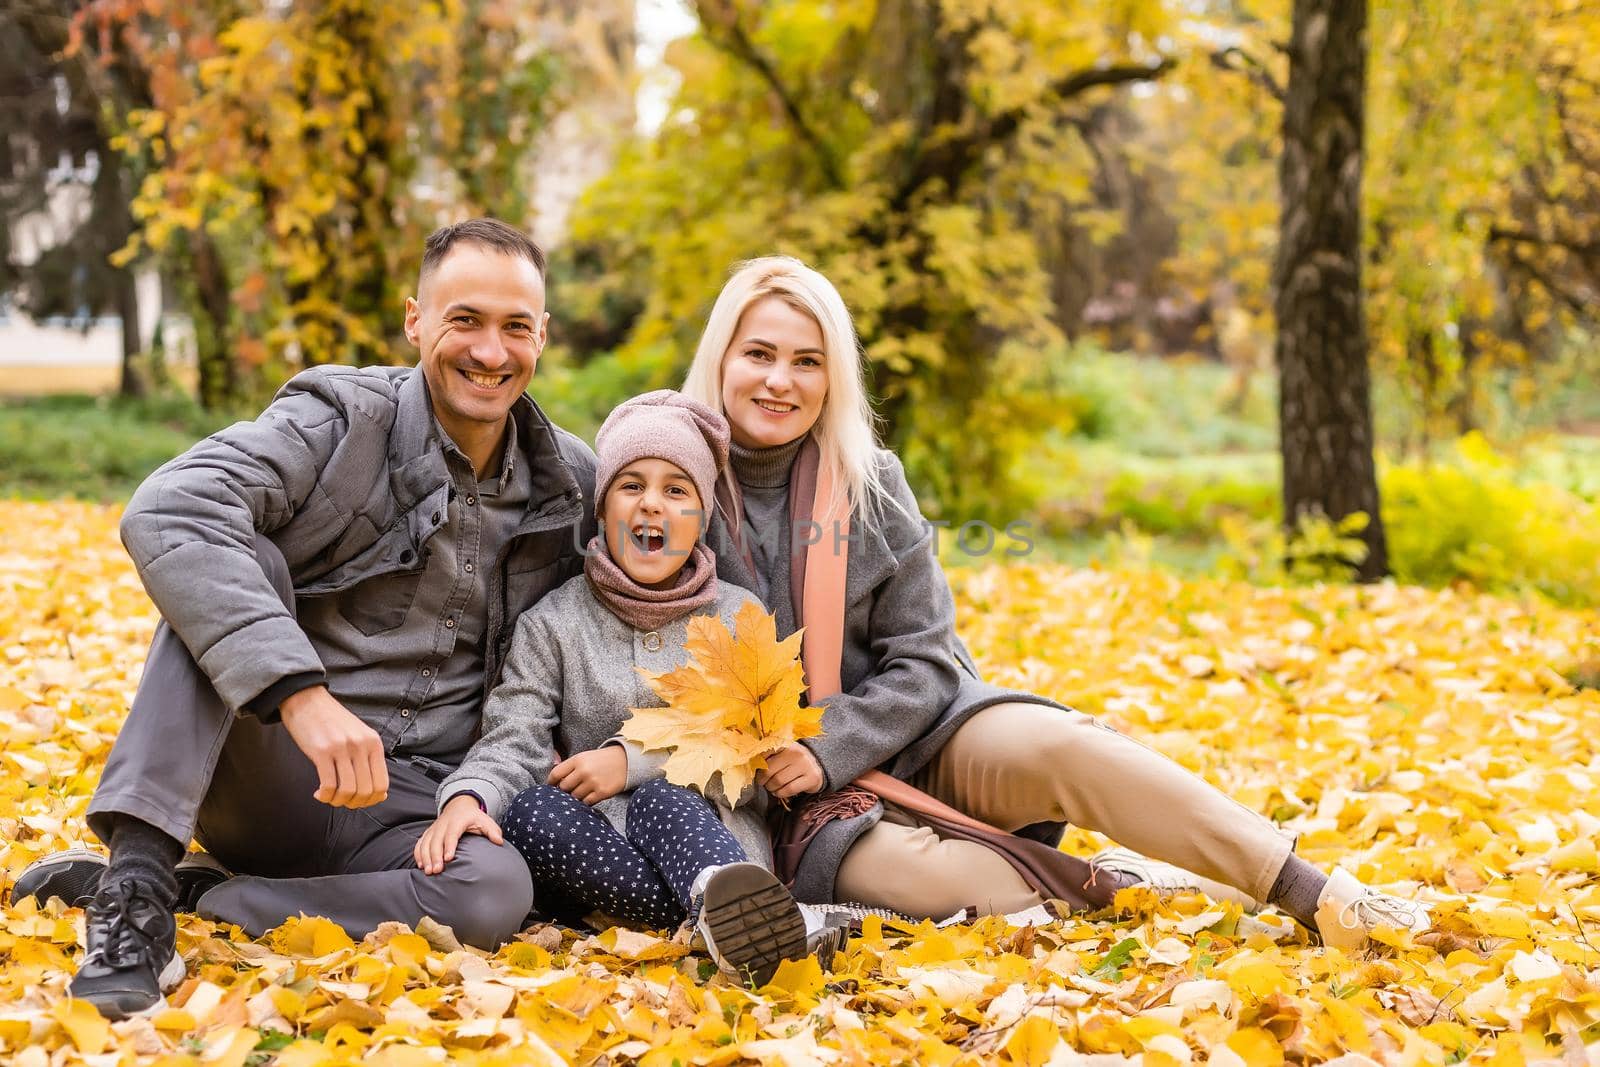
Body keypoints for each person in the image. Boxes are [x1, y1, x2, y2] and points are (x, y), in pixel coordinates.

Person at [679, 255, 1432, 950]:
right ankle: (1128, 884)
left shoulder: (869, 482)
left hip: (919, 736)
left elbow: (927, 660)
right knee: (963, 888)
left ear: (832, 376)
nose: (781, 380)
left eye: (806, 361)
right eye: (760, 355)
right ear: (722, 360)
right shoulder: (673, 487)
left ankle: (1313, 890)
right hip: (801, 811)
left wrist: (829, 743)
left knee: (1069, 745)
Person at [11, 219, 597, 1019]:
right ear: (414, 319)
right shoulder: (339, 418)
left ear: (542, 336)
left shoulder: (570, 482)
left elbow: (646, 596)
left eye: (515, 327)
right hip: (273, 766)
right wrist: (300, 694)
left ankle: (216, 899)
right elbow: (171, 507)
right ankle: (138, 891)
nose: (491, 352)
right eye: (464, 320)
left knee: (498, 889)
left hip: (409, 811)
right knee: (234, 564)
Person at [414, 391, 835, 983]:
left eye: (677, 490)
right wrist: (470, 796)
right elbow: (514, 736)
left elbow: (750, 743)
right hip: (601, 852)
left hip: (712, 840)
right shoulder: (553, 624)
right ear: (603, 505)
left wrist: (630, 763)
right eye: (631, 486)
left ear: (702, 515)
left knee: (663, 799)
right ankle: (739, 929)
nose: (652, 506)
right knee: (532, 810)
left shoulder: (739, 616)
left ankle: (723, 903)